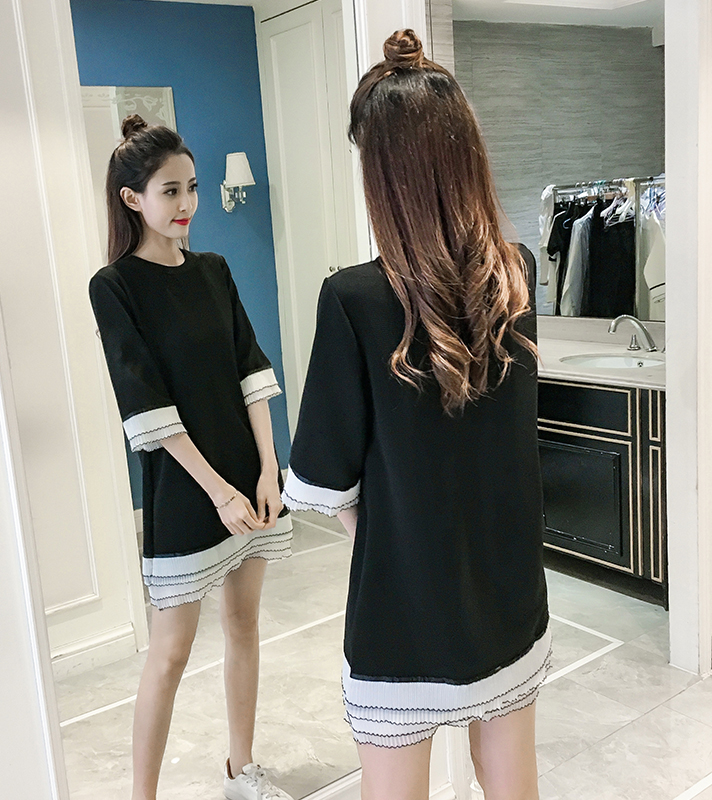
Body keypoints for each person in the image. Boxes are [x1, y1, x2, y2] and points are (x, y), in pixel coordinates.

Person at [281, 30, 549, 800]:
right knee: (512, 783)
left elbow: (325, 480)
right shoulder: (516, 273)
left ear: (383, 171)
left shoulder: (353, 299)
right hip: (509, 591)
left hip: (401, 610)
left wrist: (396, 539)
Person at [89, 114, 294, 800]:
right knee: (170, 652)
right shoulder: (114, 286)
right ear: (132, 199)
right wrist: (218, 492)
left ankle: (242, 769)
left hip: (247, 479)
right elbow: (146, 403)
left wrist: (267, 470)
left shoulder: (214, 270)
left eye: (193, 188)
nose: (187, 204)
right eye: (170, 191)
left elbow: (250, 370)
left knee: (244, 626)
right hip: (185, 489)